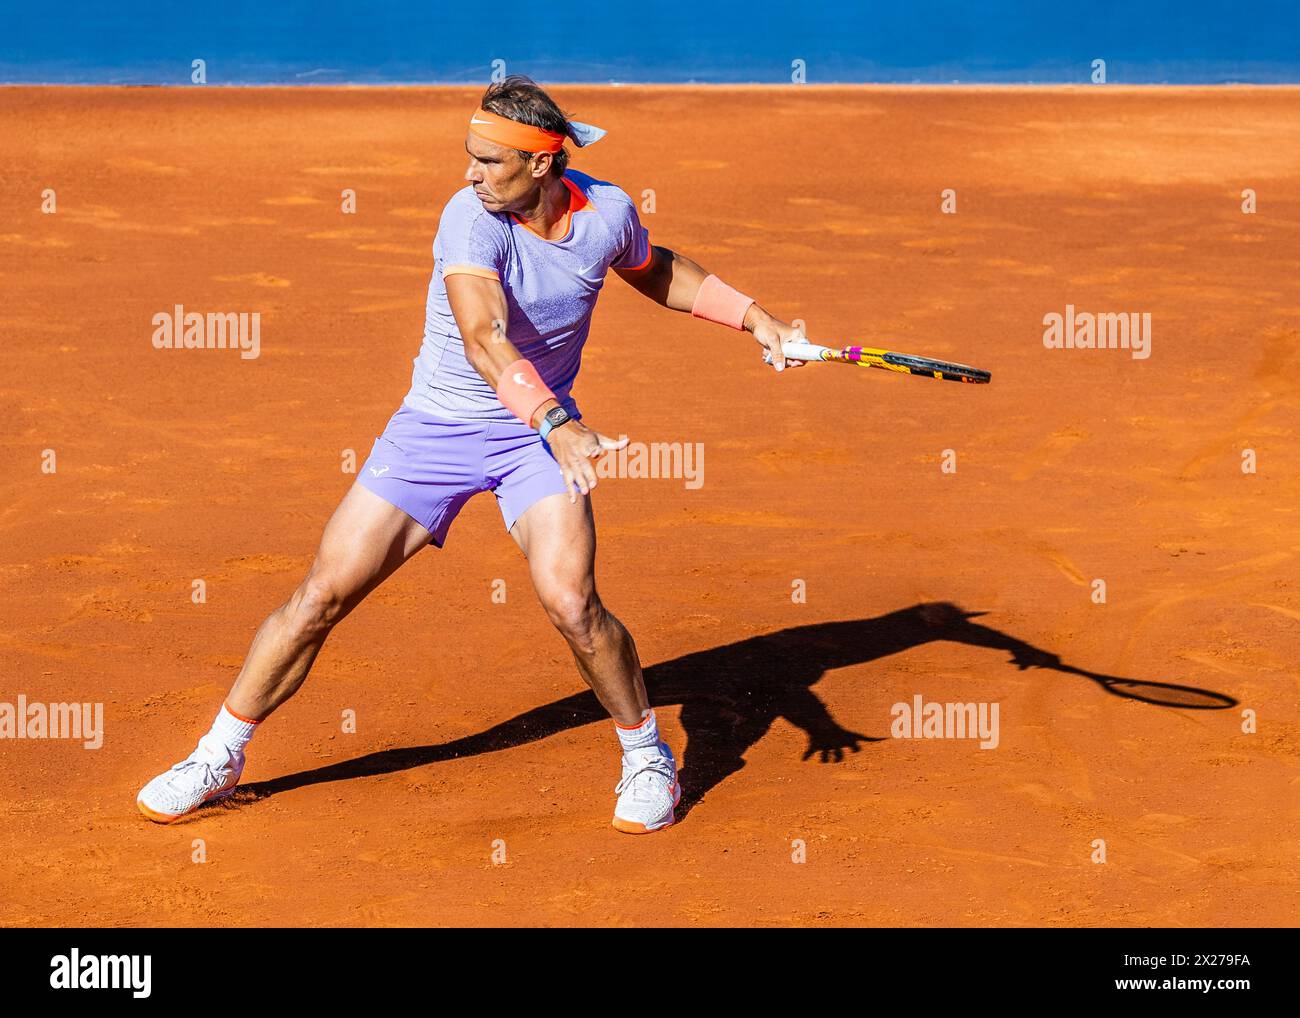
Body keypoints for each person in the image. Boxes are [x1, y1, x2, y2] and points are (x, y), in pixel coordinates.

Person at [137, 75, 806, 834]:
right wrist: (557, 419)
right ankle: (219, 754)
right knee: (322, 595)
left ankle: (647, 756)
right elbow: (487, 337)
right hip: (440, 429)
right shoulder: (470, 219)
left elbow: (651, 265)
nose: (471, 174)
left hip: (533, 440)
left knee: (572, 601)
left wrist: (757, 319)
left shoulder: (607, 212)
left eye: (489, 162)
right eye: (471, 158)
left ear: (543, 166)